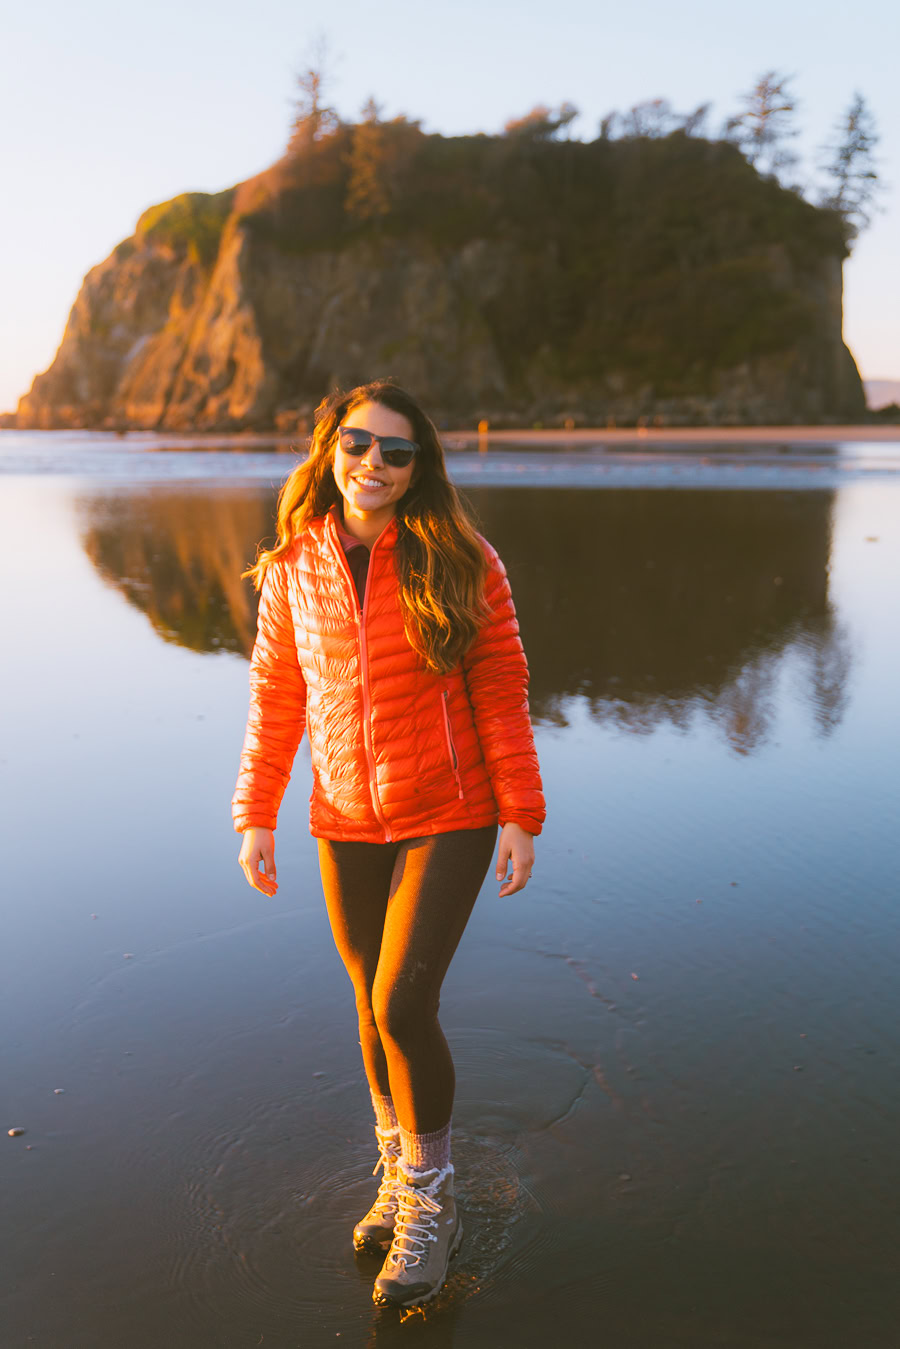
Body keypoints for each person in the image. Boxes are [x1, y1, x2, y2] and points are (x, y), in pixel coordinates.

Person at [232, 378, 545, 1309]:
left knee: (404, 1004)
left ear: (419, 469)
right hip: (344, 816)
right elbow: (276, 696)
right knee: (368, 1007)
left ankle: (430, 1200)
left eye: (397, 451)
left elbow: (501, 686)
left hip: (450, 808)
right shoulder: (293, 564)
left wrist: (521, 811)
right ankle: (397, 1168)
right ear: (332, 447)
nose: (375, 462)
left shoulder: (462, 558)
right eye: (361, 443)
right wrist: (257, 810)